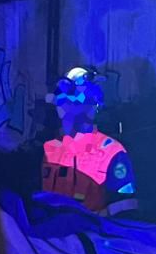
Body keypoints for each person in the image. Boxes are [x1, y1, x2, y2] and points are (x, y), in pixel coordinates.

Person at [39, 65, 137, 215]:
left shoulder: (112, 151)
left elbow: (126, 203)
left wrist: (100, 217)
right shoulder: (49, 149)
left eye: (76, 102)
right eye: (63, 102)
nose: (67, 108)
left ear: (94, 106)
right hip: (50, 233)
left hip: (92, 233)